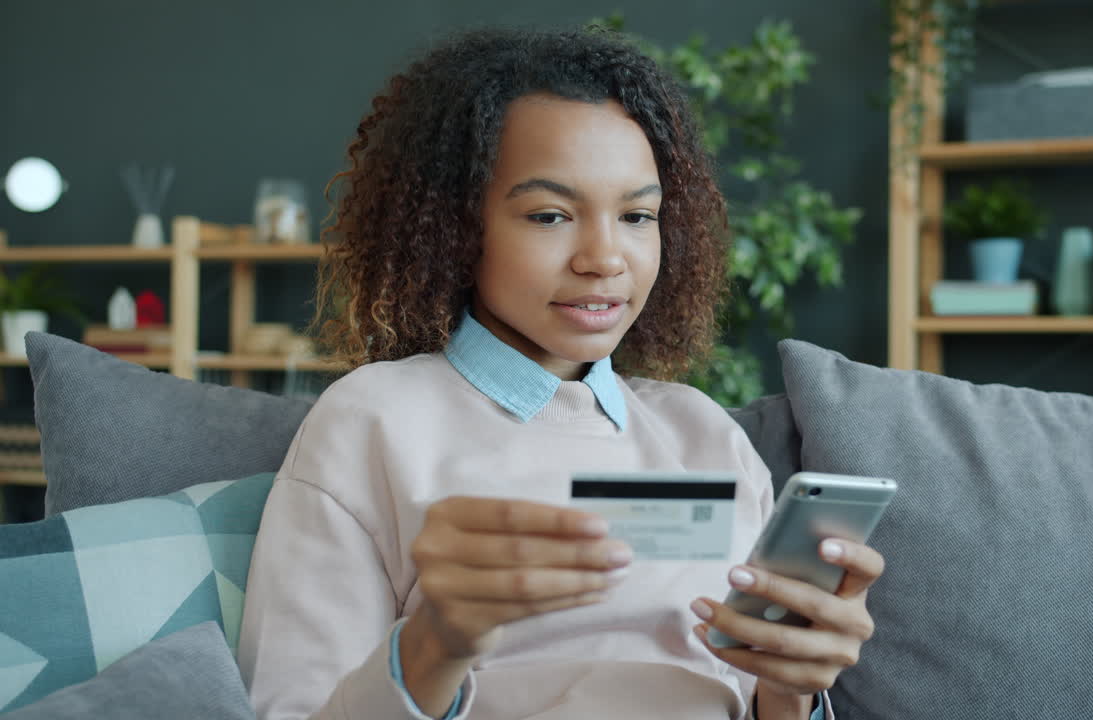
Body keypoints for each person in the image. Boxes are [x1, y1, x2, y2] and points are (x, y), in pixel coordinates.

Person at [236, 26, 884, 720]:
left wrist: (792, 689)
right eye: (550, 215)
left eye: (637, 215)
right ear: (458, 227)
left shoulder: (703, 433)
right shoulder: (371, 422)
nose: (605, 257)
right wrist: (436, 642)